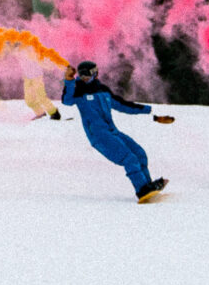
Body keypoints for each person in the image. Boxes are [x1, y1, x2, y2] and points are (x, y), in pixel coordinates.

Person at [62, 61, 167, 200]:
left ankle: (148, 185)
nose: (83, 78)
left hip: (113, 131)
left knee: (139, 154)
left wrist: (149, 111)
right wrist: (69, 80)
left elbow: (123, 105)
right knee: (129, 159)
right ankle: (141, 189)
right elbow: (66, 100)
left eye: (87, 75)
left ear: (95, 73)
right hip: (99, 135)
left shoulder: (103, 90)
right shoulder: (77, 91)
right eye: (81, 75)